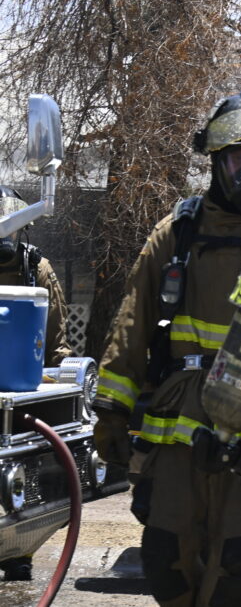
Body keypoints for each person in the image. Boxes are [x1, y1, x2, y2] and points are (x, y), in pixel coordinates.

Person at [92, 92, 241, 606]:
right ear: (216, 163)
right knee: (168, 558)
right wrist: (111, 412)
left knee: (240, 563)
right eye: (239, 161)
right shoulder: (177, 234)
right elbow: (133, 322)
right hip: (177, 426)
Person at [0, 185, 73, 582]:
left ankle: (18, 551)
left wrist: (57, 388)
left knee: (24, 474)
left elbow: (56, 342)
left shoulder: (36, 269)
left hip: (20, 393)